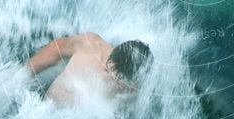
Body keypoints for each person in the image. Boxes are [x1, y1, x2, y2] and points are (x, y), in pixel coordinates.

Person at [25, 34, 153, 108]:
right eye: (108, 66)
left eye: (117, 78)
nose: (106, 71)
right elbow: (56, 48)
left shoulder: (131, 94)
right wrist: (24, 74)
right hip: (37, 107)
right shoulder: (91, 44)